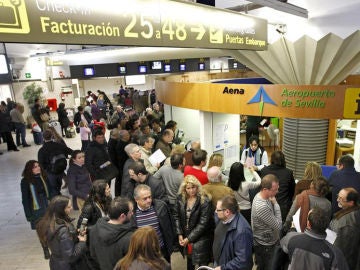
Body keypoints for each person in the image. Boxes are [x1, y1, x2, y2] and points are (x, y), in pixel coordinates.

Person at [281, 207, 349, 270]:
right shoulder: (335, 253)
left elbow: (282, 246)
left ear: (308, 224)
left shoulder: (291, 238)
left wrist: (292, 230)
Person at [174, 175, 214, 270]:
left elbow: (203, 224)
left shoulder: (205, 200)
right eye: (188, 188)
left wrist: (189, 238)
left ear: (197, 187)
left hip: (201, 238)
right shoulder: (180, 198)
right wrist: (180, 234)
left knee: (202, 265)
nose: (191, 190)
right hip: (186, 236)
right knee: (189, 262)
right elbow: (176, 216)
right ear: (184, 188)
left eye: (193, 187)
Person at [36, 195, 87, 270]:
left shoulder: (44, 223)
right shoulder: (62, 230)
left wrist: (75, 233)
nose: (71, 208)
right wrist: (82, 242)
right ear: (61, 209)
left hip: (55, 262)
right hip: (67, 266)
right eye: (69, 207)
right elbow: (71, 256)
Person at [89, 197, 136, 270]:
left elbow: (93, 255)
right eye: (131, 211)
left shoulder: (94, 230)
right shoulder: (129, 238)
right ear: (122, 216)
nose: (132, 213)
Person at [132, 184, 175, 263]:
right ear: (136, 199)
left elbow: (169, 227)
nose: (149, 200)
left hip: (161, 251)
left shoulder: (161, 206)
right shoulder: (131, 213)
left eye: (150, 197)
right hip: (142, 254)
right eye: (145, 198)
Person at [213, 196, 253, 270]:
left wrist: (223, 268)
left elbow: (243, 261)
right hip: (219, 262)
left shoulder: (242, 232)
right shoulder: (223, 218)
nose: (215, 212)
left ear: (227, 212)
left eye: (217, 210)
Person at [251, 174, 282, 270]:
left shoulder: (261, 195)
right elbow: (278, 225)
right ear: (265, 189)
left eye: (278, 188)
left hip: (264, 242)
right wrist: (276, 205)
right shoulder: (262, 206)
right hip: (266, 246)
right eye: (274, 190)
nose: (277, 192)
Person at [20, 160, 50, 259]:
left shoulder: (43, 177)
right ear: (29, 170)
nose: (38, 168)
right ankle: (45, 248)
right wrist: (28, 215)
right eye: (34, 167)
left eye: (38, 166)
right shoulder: (25, 182)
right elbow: (25, 200)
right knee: (41, 230)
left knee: (50, 228)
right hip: (35, 208)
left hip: (46, 204)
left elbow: (50, 191)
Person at [329, 188, 360, 269]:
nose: (337, 200)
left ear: (351, 202)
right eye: (338, 196)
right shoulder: (355, 210)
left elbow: (340, 250)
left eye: (341, 199)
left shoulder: (346, 224)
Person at [261, 150, 295, 222]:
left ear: (271, 159)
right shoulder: (288, 173)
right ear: (283, 160)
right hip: (283, 207)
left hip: (266, 205)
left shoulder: (264, 171)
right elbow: (292, 191)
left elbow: (261, 189)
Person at [38, 129, 73, 198]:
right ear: (52, 136)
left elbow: (41, 164)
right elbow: (71, 151)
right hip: (61, 169)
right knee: (58, 185)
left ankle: (57, 200)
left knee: (54, 188)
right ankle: (58, 195)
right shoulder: (59, 145)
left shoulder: (42, 150)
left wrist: (45, 171)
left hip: (51, 172)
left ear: (43, 138)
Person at [115, 130, 131, 196]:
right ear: (123, 137)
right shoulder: (121, 145)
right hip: (123, 166)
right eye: (127, 135)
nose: (129, 136)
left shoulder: (125, 142)